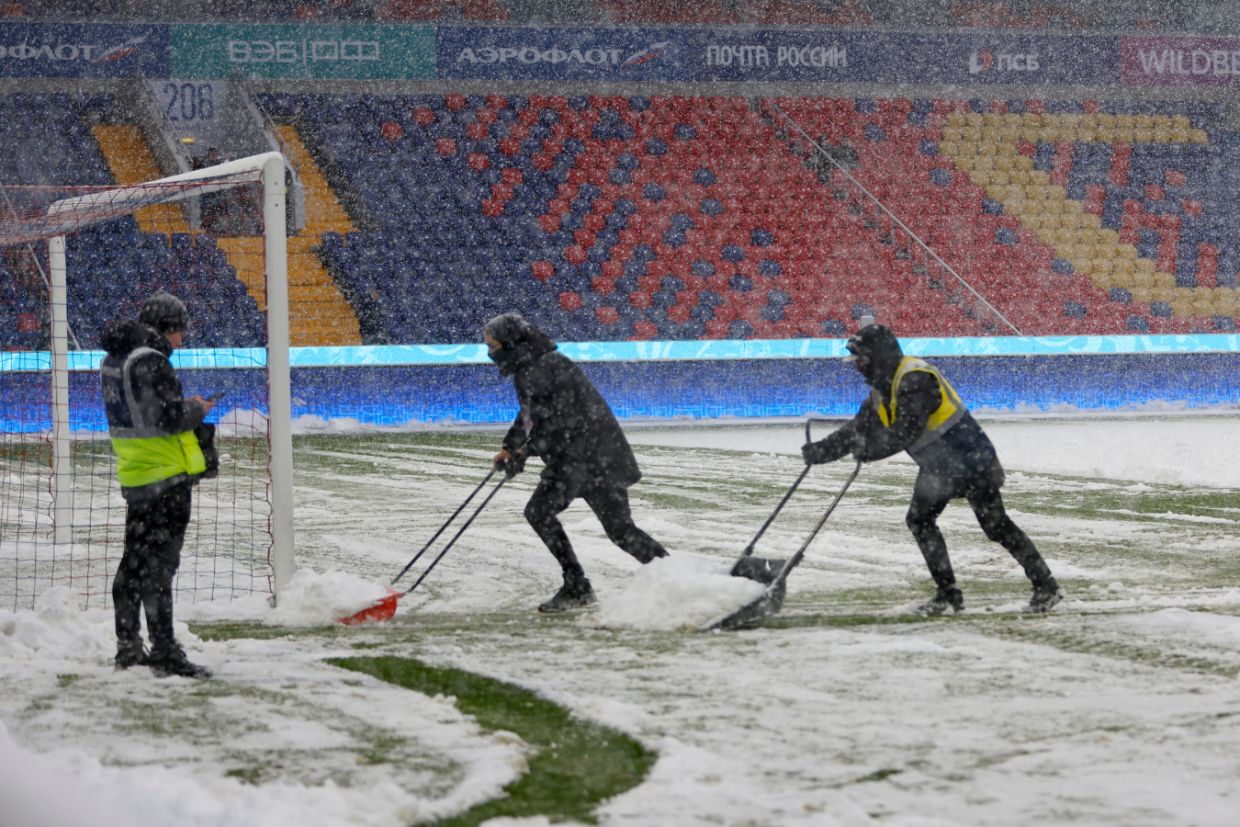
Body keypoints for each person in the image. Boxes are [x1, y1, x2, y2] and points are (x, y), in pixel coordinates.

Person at [801, 323, 1063, 615]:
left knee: (995, 526)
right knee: (920, 520)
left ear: (878, 357)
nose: (858, 368)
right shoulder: (882, 389)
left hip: (972, 461)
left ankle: (1046, 586)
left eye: (861, 360)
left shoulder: (915, 378)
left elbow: (907, 428)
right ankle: (949, 593)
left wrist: (871, 451)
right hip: (940, 467)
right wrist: (821, 451)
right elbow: (856, 429)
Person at [485, 313, 669, 612]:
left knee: (540, 512)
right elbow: (533, 414)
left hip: (582, 459)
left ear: (510, 343)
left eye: (493, 346)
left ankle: (577, 585)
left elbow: (561, 422)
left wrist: (526, 452)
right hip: (596, 457)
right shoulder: (538, 365)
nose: (490, 353)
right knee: (621, 530)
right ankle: (673, 577)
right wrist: (511, 446)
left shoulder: (538, 369)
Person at [100, 292, 215, 678]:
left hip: (136, 475)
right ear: (170, 326)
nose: (182, 339)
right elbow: (167, 418)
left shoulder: (116, 359)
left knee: (133, 565)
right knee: (159, 570)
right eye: (181, 329)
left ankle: (128, 647)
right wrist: (197, 409)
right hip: (165, 479)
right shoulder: (152, 360)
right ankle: (165, 651)